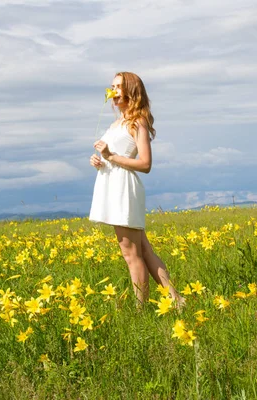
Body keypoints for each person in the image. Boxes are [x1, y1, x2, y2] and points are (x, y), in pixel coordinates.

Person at [89, 72, 184, 307]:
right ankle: (177, 300)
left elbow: (145, 164)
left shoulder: (137, 121)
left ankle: (141, 310)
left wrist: (111, 155)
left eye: (119, 86)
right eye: (112, 86)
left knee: (131, 254)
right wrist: (101, 161)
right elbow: (113, 157)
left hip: (124, 189)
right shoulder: (117, 123)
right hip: (113, 185)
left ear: (131, 90)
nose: (113, 90)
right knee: (144, 250)